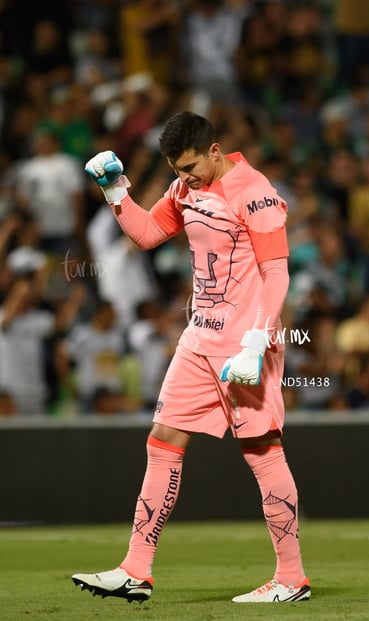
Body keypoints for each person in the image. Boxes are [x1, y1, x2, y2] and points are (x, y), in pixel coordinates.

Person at [72, 111, 310, 604]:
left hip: (246, 345)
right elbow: (146, 234)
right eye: (177, 170)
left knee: (262, 448)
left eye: (191, 167)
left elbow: (277, 275)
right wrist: (115, 190)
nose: (185, 178)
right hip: (198, 340)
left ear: (215, 151)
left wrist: (256, 343)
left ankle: (291, 578)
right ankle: (136, 570)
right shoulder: (185, 190)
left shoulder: (255, 191)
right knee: (161, 441)